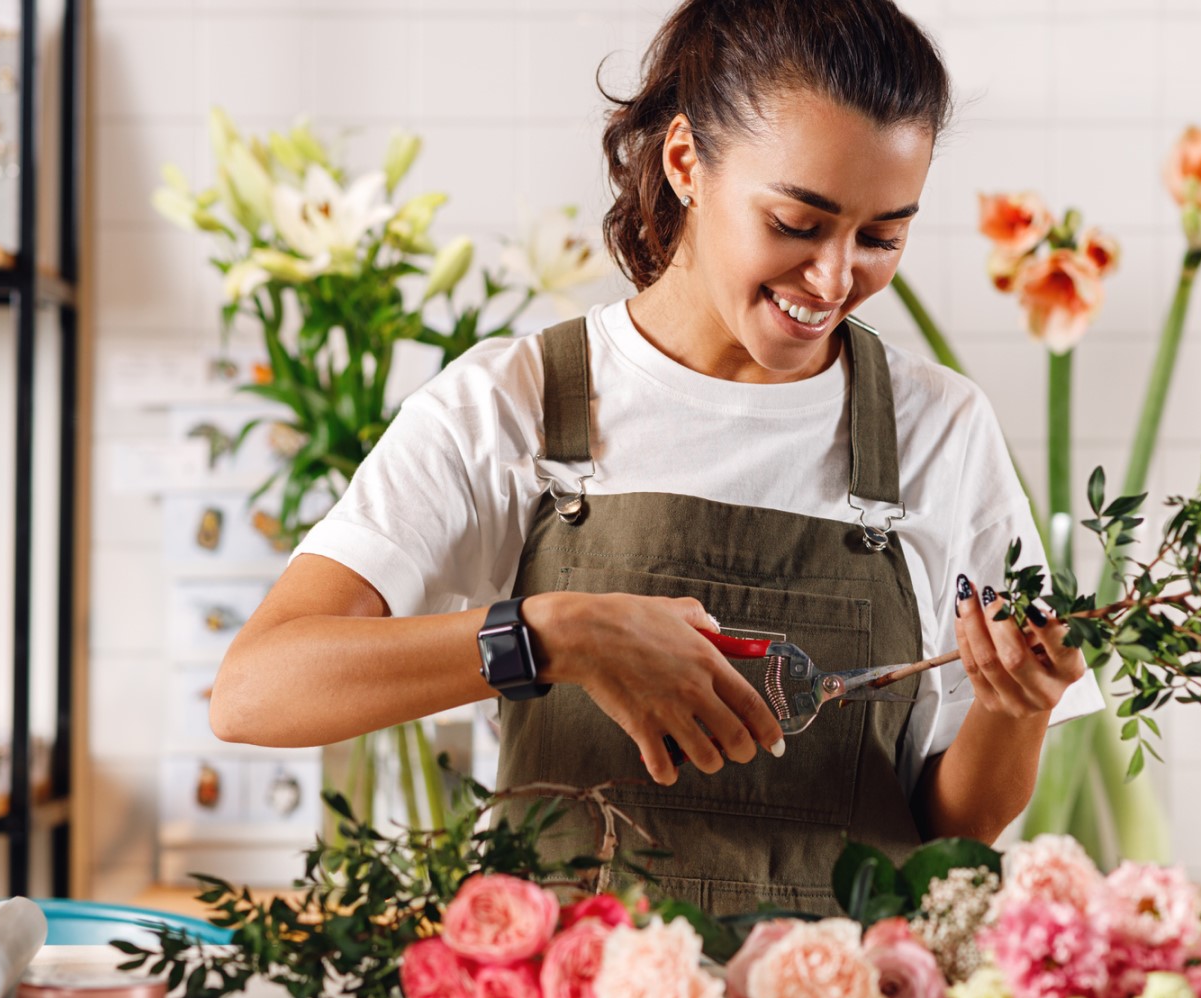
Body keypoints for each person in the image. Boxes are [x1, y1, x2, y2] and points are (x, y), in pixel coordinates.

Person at [210, 0, 1103, 916]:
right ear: (686, 163)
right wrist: (555, 635)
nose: (837, 280)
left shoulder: (938, 426)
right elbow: (255, 690)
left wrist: (1015, 703)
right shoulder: (511, 403)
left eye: (881, 238)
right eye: (798, 223)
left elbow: (951, 836)